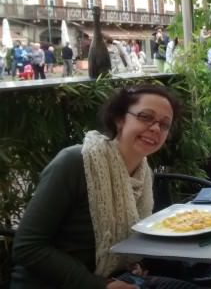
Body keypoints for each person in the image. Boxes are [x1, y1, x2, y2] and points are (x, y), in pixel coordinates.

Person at [11, 85, 198, 289]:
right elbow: (27, 247)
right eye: (145, 117)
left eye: (164, 124)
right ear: (119, 119)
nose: (155, 128)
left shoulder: (143, 174)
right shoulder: (75, 162)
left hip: (117, 278)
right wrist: (101, 285)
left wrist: (134, 264)